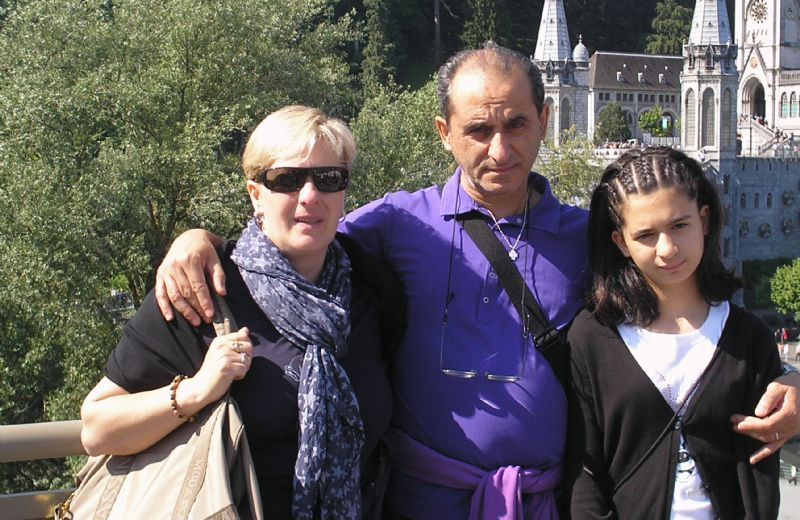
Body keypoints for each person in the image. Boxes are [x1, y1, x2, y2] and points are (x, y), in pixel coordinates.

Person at [153, 44, 800, 518]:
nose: (500, 148)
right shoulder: (400, 224)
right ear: (444, 135)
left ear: (545, 120)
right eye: (479, 130)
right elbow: (298, 232)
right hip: (418, 505)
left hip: (550, 505)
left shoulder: (588, 235)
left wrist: (788, 379)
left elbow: (691, 317)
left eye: (517, 124)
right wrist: (201, 240)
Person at [80, 106, 398, 520]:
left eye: (328, 178)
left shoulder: (368, 287)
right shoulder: (202, 290)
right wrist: (196, 391)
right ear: (255, 193)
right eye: (286, 179)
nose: (310, 195)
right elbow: (97, 428)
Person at [567, 147, 780, 518]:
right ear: (621, 243)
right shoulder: (593, 337)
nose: (667, 249)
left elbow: (759, 472)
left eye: (679, 226)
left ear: (705, 220)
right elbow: (583, 471)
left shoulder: (749, 339)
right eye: (646, 235)